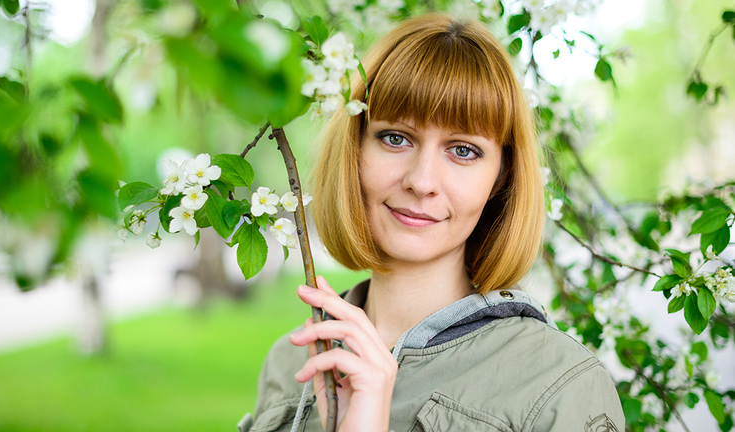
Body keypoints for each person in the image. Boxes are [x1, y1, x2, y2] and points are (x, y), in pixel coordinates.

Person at [237, 13, 625, 432]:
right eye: (395, 138)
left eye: (463, 150)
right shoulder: (291, 362)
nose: (421, 182)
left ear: (501, 176)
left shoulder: (558, 386)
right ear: (355, 148)